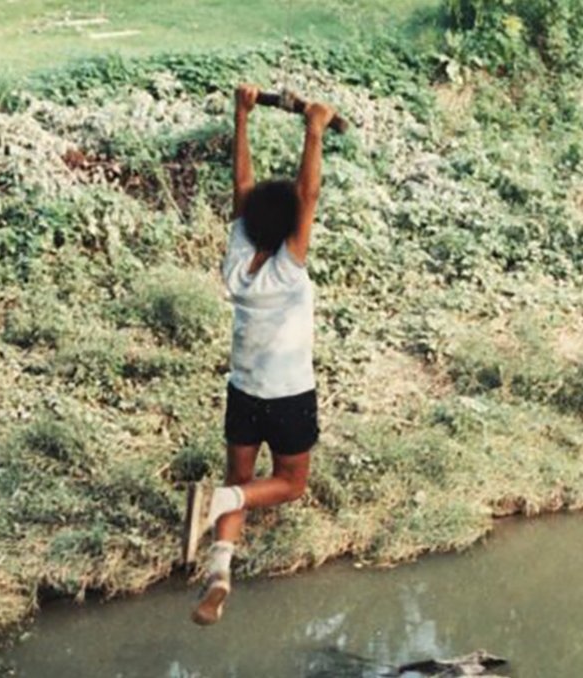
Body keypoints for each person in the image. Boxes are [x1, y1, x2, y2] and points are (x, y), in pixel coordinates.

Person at [188, 84, 337, 626]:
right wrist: (314, 127)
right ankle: (221, 504)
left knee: (239, 479)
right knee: (288, 485)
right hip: (288, 395)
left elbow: (243, 184)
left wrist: (242, 114)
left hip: (243, 390)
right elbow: (309, 192)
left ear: (250, 222)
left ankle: (219, 574)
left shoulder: (238, 257)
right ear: (291, 228)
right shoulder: (288, 267)